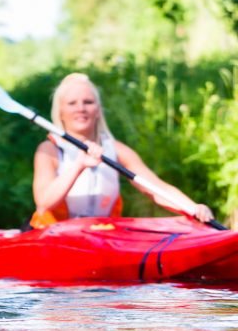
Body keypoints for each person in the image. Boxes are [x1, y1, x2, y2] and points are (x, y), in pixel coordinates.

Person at [30, 72, 214, 229]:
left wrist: (192, 208)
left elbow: (155, 188)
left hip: (99, 235)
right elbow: (44, 202)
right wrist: (78, 165)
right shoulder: (48, 150)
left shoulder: (116, 150)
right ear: (60, 111)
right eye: (72, 103)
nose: (81, 109)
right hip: (53, 234)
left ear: (98, 110)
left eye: (88, 102)